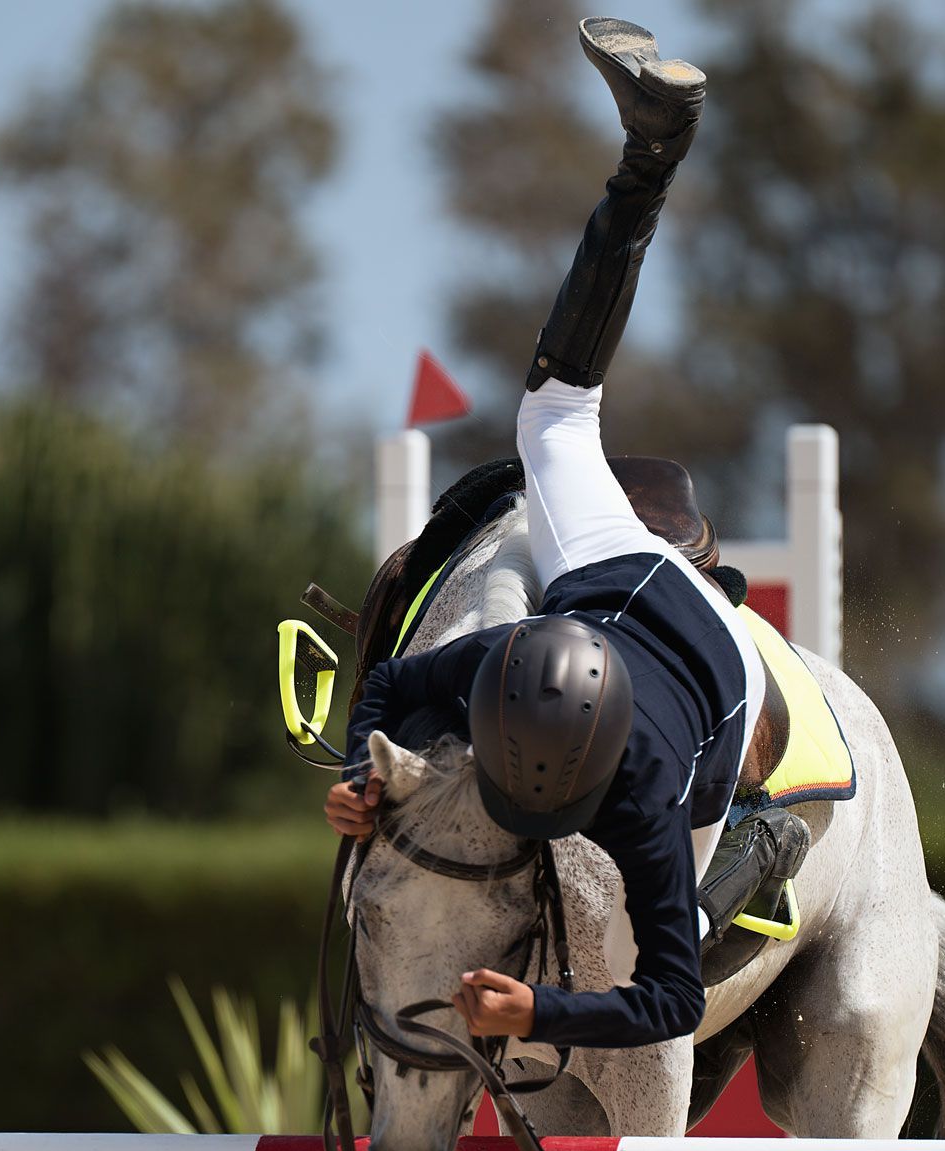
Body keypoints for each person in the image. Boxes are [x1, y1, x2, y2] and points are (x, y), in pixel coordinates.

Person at [324, 17, 810, 1052]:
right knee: (549, 413)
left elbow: (673, 1000)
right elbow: (392, 690)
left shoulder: (643, 803)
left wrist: (543, 1010)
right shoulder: (490, 665)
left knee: (681, 902)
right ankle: (651, 155)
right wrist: (372, 775)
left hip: (717, 676)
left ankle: (764, 843)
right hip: (613, 572)